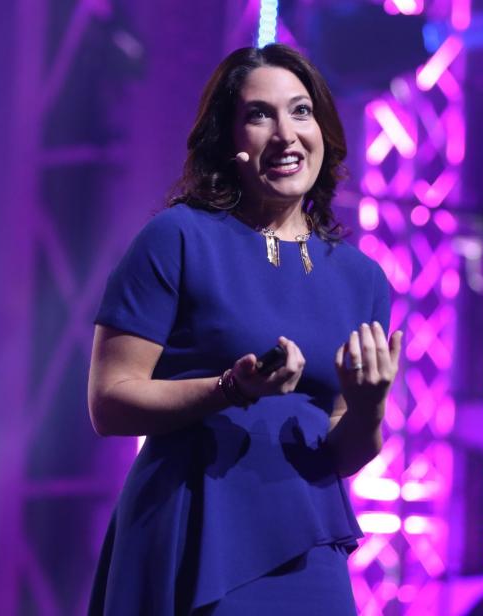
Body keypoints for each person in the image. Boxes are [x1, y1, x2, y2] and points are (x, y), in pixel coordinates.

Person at [87, 43, 402, 615]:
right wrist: (230, 389)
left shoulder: (364, 279)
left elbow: (343, 454)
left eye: (301, 111)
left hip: (308, 544)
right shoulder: (178, 239)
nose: (286, 134)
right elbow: (109, 404)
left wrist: (369, 408)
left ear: (324, 132)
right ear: (229, 143)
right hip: (198, 526)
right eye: (260, 115)